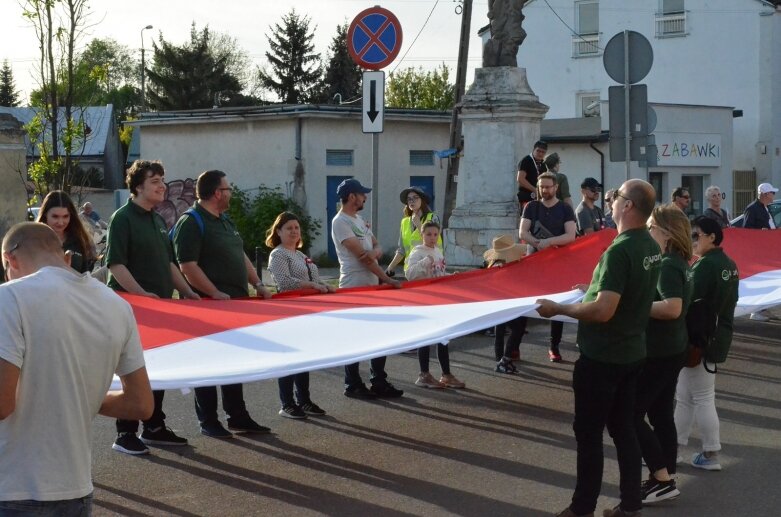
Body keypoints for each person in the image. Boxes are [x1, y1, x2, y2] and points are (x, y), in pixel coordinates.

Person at [0, 222, 153, 513]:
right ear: (64, 256)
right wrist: (79, 397)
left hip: (12, 486)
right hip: (76, 490)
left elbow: (2, 404)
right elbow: (141, 404)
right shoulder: (117, 306)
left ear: (11, 259)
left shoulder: (9, 297)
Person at [537, 179, 662, 517]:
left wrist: (559, 309)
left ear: (628, 206)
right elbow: (620, 293)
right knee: (624, 430)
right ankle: (631, 504)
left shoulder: (620, 250)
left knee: (589, 435)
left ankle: (582, 508)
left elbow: (604, 310)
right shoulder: (649, 245)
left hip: (603, 356)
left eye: (616, 196)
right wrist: (591, 288)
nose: (610, 200)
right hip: (632, 352)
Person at [106, 159, 199, 455]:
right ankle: (125, 432)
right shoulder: (123, 218)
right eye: (155, 181)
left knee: (157, 368)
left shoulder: (158, 220)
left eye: (162, 180)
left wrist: (188, 292)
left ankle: (154, 425)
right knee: (132, 369)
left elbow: (169, 264)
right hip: (132, 310)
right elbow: (116, 265)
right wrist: (142, 294)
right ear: (138, 186)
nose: (162, 186)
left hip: (160, 310)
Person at [173, 169, 272, 438]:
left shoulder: (224, 221)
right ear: (217, 193)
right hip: (207, 308)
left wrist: (258, 284)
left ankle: (237, 415)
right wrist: (213, 292)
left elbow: (240, 255)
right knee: (207, 363)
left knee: (233, 361)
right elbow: (187, 266)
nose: (230, 193)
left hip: (234, 307)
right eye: (227, 189)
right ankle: (208, 420)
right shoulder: (191, 222)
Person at [636, 205, 693, 505]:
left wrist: (631, 305)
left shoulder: (669, 264)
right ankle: (664, 478)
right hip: (672, 349)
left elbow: (672, 307)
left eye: (651, 227)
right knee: (660, 415)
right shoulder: (679, 261)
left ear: (666, 233)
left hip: (661, 351)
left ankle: (662, 477)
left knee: (630, 414)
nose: (647, 232)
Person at [674, 216, 739, 472]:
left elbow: (685, 302)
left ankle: (710, 452)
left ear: (712, 236)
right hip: (716, 337)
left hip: (699, 340)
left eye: (696, 235)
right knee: (689, 397)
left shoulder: (704, 266)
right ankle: (677, 448)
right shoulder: (729, 264)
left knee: (698, 397)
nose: (692, 241)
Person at [331, 178, 403, 399]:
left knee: (379, 334)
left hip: (371, 285)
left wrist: (374, 252)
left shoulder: (359, 219)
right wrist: (387, 279)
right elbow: (362, 257)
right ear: (352, 196)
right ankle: (352, 383)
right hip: (354, 285)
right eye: (362, 194)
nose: (365, 197)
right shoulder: (340, 221)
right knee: (355, 337)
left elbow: (376, 246)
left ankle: (378, 380)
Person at [266, 211, 332, 419]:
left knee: (304, 358)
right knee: (289, 359)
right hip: (288, 312)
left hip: (307, 312)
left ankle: (304, 400)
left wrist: (323, 285)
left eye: (296, 227)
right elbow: (284, 282)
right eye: (288, 228)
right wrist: (312, 285)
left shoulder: (301, 255)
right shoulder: (278, 254)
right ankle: (287, 403)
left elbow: (314, 278)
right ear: (278, 231)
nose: (294, 231)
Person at [516, 172, 577, 363]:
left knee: (557, 305)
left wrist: (548, 241)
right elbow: (522, 232)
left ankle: (554, 346)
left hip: (557, 265)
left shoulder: (566, 209)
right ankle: (514, 346)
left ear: (556, 187)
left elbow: (570, 236)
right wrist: (536, 242)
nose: (544, 190)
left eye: (548, 187)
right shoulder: (531, 207)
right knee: (526, 304)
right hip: (533, 263)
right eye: (541, 187)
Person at [405, 221, 466, 389]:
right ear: (421, 235)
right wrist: (426, 261)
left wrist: (449, 276)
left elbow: (437, 273)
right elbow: (409, 274)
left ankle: (446, 374)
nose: (432, 238)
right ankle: (423, 374)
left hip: (439, 299)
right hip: (424, 299)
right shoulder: (418, 252)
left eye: (435, 234)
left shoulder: (438, 251)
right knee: (426, 336)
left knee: (443, 336)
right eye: (428, 234)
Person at [483, 234, 527, 372]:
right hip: (505, 302)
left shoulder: (495, 265)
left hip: (501, 302)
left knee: (501, 330)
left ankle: (500, 359)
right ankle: (504, 360)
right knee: (517, 328)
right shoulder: (500, 267)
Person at [385, 186, 442, 278]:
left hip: (430, 270)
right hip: (412, 271)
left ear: (422, 200)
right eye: (409, 199)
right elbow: (402, 250)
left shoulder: (432, 218)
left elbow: (433, 242)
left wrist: (419, 224)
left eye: (415, 198)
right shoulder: (405, 222)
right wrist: (390, 267)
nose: (412, 201)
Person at [36, 190, 97, 273]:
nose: (60, 222)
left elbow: (86, 273)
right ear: (45, 214)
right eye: (55, 216)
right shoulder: (33, 241)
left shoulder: (81, 240)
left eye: (65, 216)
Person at [743, 182, 777, 321]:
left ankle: (764, 309)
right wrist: (760, 233)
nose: (773, 195)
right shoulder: (752, 209)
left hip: (767, 250)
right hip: (757, 252)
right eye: (772, 193)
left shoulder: (764, 208)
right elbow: (746, 231)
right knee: (761, 282)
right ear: (764, 194)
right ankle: (756, 312)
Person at [517, 140, 547, 209]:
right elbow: (520, 179)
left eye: (543, 152)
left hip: (539, 198)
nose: (540, 154)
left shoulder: (543, 164)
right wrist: (535, 190)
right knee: (527, 217)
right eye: (538, 151)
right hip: (526, 197)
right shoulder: (526, 160)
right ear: (533, 150)